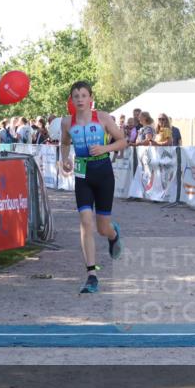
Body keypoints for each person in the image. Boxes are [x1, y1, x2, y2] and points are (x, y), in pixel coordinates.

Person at [60, 81, 126, 294]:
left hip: (104, 174)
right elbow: (64, 142)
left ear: (90, 98)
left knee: (101, 228)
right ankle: (91, 274)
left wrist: (105, 147)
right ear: (72, 100)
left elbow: (122, 141)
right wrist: (65, 159)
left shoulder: (103, 118)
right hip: (82, 176)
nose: (79, 99)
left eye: (83, 95)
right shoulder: (66, 122)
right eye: (75, 96)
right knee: (85, 222)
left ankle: (113, 234)